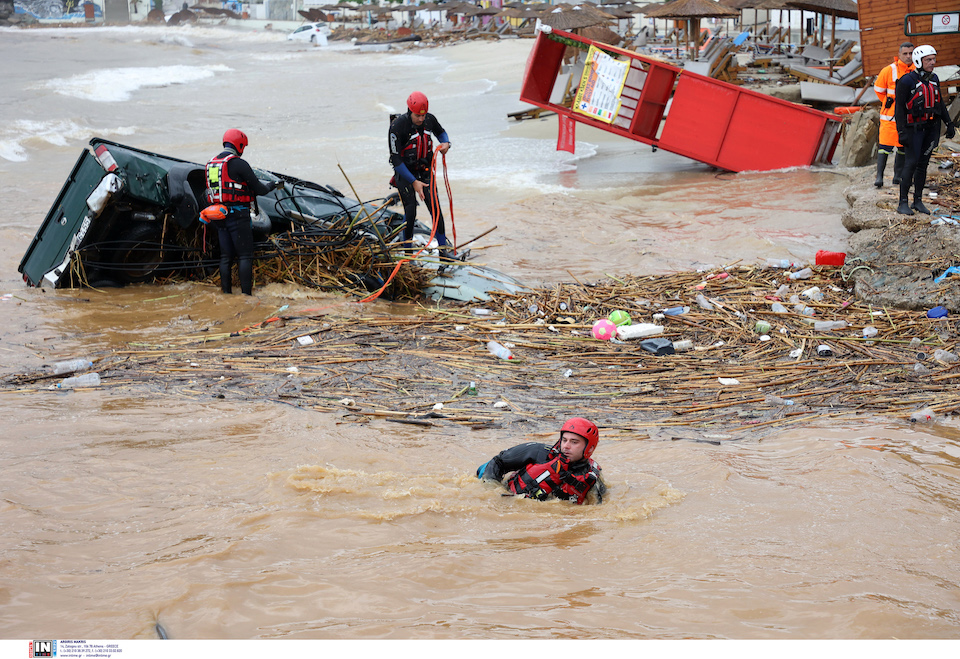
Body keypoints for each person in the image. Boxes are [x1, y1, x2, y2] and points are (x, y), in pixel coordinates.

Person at [205, 129, 282, 295]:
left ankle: (226, 294)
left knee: (226, 257)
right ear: (239, 145)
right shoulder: (239, 163)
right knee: (245, 256)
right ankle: (246, 296)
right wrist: (273, 185)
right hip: (238, 216)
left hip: (219, 216)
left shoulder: (212, 163)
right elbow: (260, 189)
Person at [476, 417, 606, 505]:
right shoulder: (538, 452)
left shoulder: (592, 477)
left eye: (574, 442)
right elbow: (498, 461)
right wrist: (491, 493)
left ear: (590, 448)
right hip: (509, 493)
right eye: (564, 440)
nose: (566, 446)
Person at [388, 91, 453, 257]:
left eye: (423, 115)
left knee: (436, 211)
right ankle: (408, 254)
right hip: (405, 173)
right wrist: (413, 182)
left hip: (424, 171)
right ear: (410, 111)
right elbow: (396, 160)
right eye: (418, 115)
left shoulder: (429, 119)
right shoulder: (397, 127)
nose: (421, 119)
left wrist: (446, 142)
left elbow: (441, 133)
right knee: (411, 212)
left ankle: (443, 254)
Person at [894, 45, 956, 216]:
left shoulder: (934, 78)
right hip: (912, 130)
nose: (932, 62)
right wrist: (901, 132)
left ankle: (918, 201)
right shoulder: (906, 81)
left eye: (933, 59)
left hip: (930, 129)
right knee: (911, 164)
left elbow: (940, 103)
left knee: (923, 165)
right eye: (928, 60)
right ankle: (902, 203)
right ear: (918, 61)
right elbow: (899, 109)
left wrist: (949, 123)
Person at [873, 42, 914, 188]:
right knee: (884, 146)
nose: (908, 56)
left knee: (903, 146)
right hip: (889, 117)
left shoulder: (916, 70)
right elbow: (878, 90)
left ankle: (897, 177)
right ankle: (879, 177)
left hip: (908, 117)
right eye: (905, 54)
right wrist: (888, 102)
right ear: (899, 54)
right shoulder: (888, 70)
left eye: (911, 53)